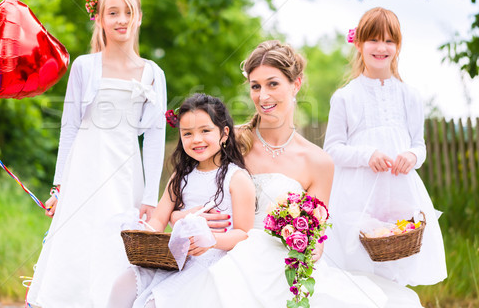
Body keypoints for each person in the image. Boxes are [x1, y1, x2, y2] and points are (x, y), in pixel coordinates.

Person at [168, 40, 423, 307]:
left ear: (296, 84)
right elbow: (186, 190)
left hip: (283, 265)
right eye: (256, 86)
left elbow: (317, 234)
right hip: (225, 256)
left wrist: (310, 248)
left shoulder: (318, 162)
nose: (263, 96)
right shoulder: (229, 142)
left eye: (273, 84)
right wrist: (179, 216)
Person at [26, 0, 167, 308]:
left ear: (139, 18)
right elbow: (70, 128)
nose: (121, 20)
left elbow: (156, 136)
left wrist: (150, 197)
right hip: (84, 171)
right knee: (77, 241)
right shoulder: (85, 67)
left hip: (125, 172)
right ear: (100, 20)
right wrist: (59, 187)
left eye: (128, 12)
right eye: (112, 13)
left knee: (116, 246)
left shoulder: (152, 73)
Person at [323, 7, 447, 286]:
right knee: (359, 265)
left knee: (397, 261)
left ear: (398, 46)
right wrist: (366, 155)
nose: (381, 47)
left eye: (389, 41)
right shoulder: (345, 97)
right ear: (359, 44)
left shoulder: (410, 96)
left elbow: (420, 145)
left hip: (398, 191)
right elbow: (332, 149)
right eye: (374, 40)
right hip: (357, 193)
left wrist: (412, 156)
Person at [107, 93, 256, 308]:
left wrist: (210, 239)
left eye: (205, 131)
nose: (196, 139)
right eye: (187, 133)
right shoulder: (181, 176)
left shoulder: (236, 178)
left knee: (156, 302)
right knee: (122, 284)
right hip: (172, 256)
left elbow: (244, 233)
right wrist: (141, 231)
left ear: (224, 134)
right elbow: (159, 219)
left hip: (211, 258)